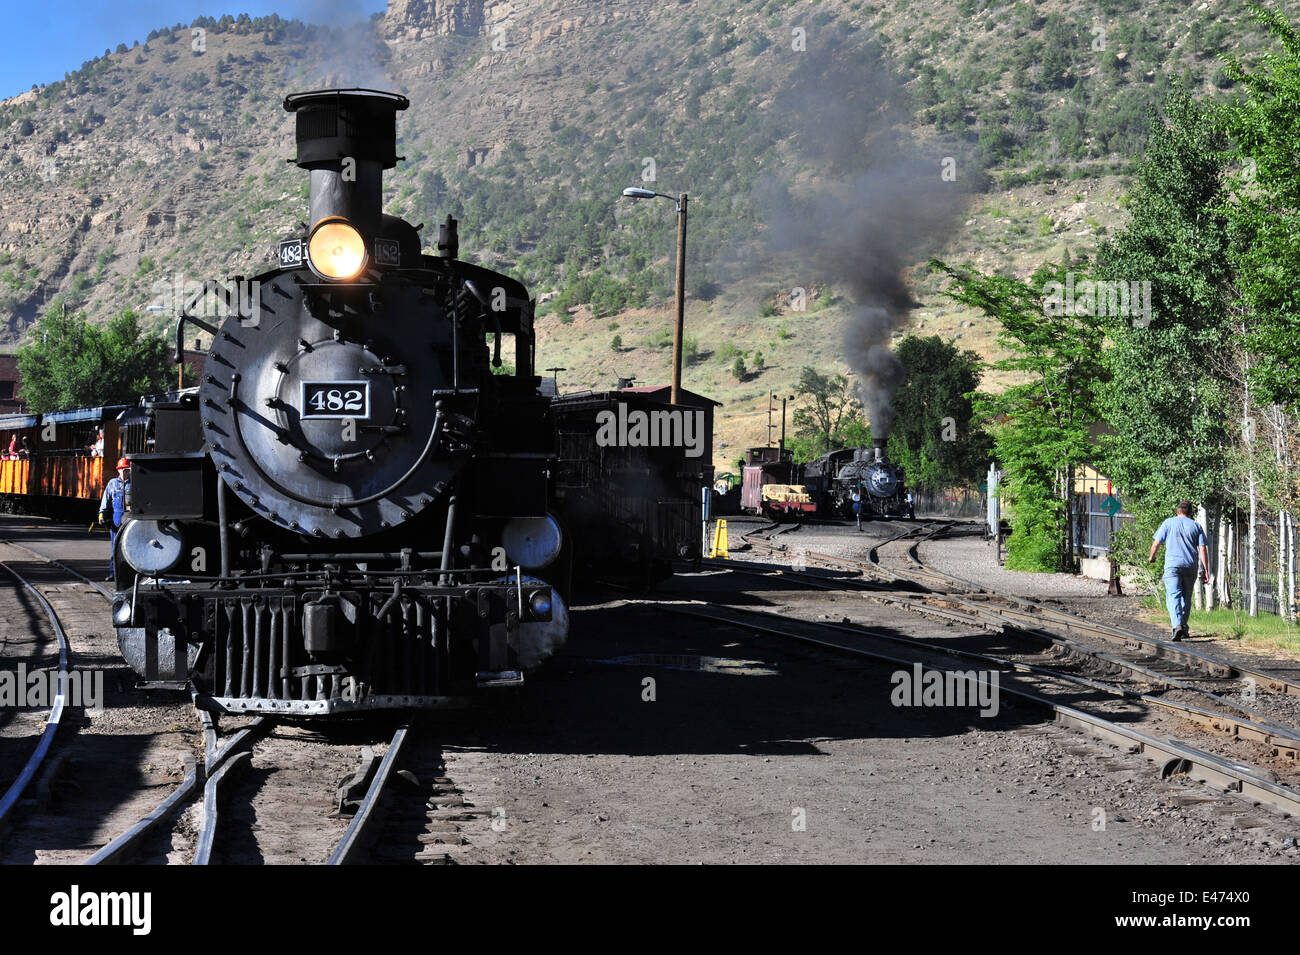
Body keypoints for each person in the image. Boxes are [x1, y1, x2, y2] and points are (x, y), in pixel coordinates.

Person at [1148, 500, 1210, 642]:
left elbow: (1157, 543)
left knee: (1173, 595)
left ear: (1178, 511)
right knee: (1186, 597)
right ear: (1190, 512)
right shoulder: (1196, 526)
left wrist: (1152, 556)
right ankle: (1184, 627)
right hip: (1190, 566)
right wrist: (1206, 569)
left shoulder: (1168, 523)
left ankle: (1177, 626)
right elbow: (1202, 549)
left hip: (1172, 566)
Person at [98, 457, 129, 582]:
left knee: (129, 546)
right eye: (123, 470)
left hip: (129, 517)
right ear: (119, 470)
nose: (126, 472)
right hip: (116, 518)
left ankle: (127, 574)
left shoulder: (134, 483)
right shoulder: (112, 484)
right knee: (115, 547)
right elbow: (106, 500)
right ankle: (113, 573)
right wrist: (102, 514)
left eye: (127, 470)